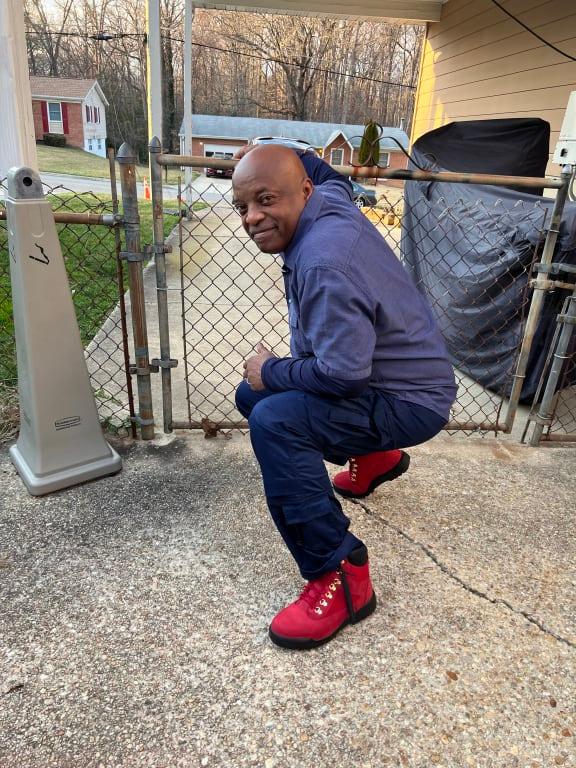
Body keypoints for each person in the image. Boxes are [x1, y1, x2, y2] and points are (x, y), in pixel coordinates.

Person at [232, 144, 456, 650]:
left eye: (265, 199)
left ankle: (340, 576)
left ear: (302, 191)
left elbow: (343, 376)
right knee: (255, 398)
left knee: (274, 420)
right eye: (241, 206)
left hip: (408, 400)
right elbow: (313, 162)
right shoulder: (331, 195)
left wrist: (272, 369)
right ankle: (375, 457)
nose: (252, 218)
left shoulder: (323, 262)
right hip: (404, 380)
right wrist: (266, 154)